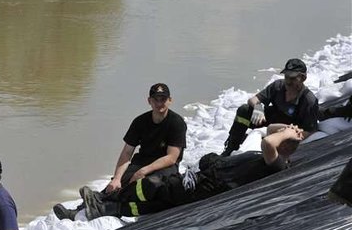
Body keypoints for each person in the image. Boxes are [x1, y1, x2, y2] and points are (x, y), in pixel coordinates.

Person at [62, 125, 303, 220]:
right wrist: (288, 129)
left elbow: (269, 142)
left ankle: (103, 203)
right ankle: (104, 206)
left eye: (282, 136)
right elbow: (271, 131)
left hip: (207, 188)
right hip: (204, 181)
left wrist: (289, 135)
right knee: (156, 202)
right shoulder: (272, 159)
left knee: (153, 185)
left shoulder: (278, 164)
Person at [222, 58, 318, 156]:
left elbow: (310, 130)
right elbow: (253, 100)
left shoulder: (308, 100)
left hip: (287, 127)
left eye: (293, 78)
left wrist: (289, 136)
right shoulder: (278, 86)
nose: (288, 81)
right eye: (286, 77)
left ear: (303, 78)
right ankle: (231, 147)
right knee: (244, 110)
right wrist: (258, 108)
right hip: (272, 119)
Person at [104, 83, 187, 194]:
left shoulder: (177, 123)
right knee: (114, 186)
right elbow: (127, 153)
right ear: (149, 101)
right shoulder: (139, 121)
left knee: (149, 185)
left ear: (170, 100)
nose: (159, 103)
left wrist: (144, 171)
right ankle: (92, 203)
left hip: (165, 166)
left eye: (163, 99)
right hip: (141, 162)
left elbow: (171, 157)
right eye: (155, 99)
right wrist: (117, 178)